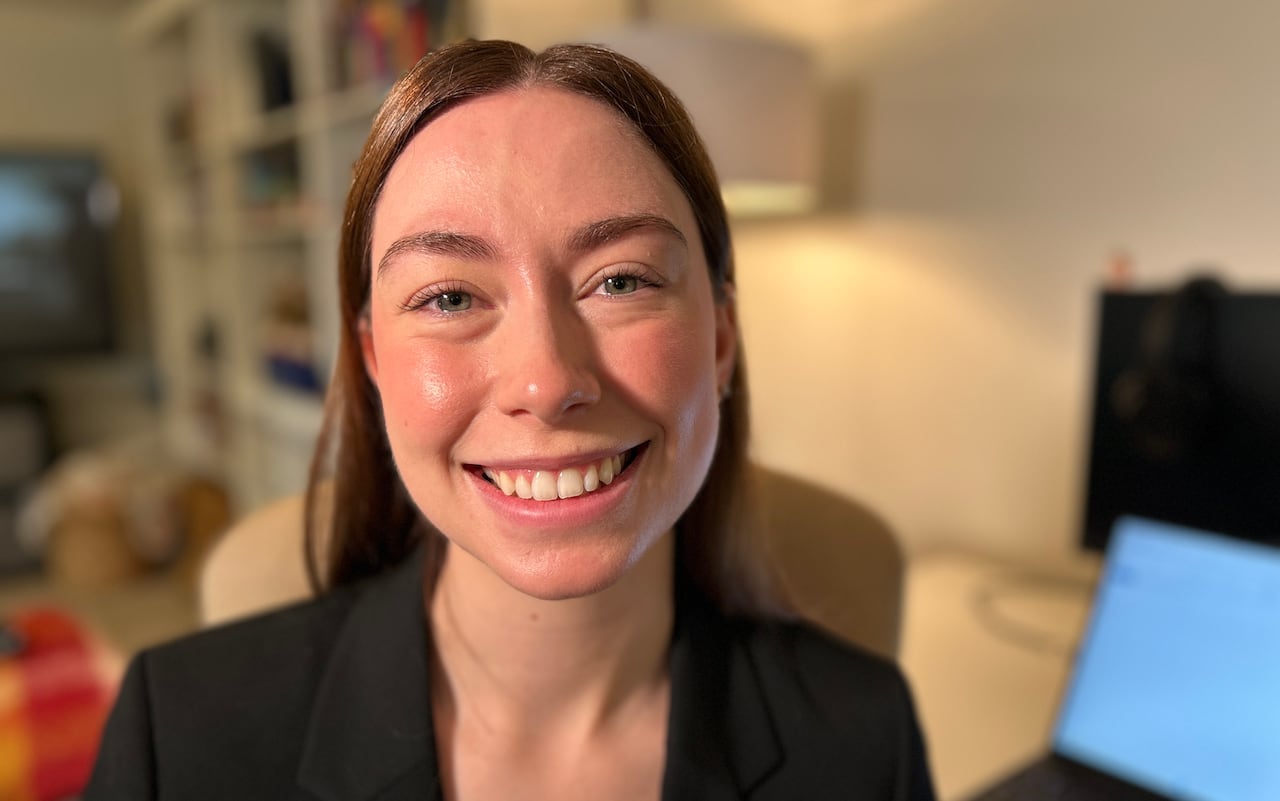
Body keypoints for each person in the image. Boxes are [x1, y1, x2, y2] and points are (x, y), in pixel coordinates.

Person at [86, 40, 936, 801]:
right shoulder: (182, 738)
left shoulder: (863, 738)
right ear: (376, 359)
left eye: (623, 280)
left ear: (721, 338)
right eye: (449, 296)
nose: (545, 380)